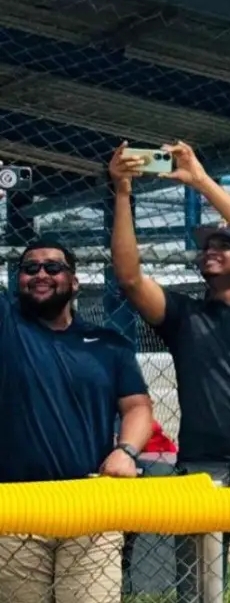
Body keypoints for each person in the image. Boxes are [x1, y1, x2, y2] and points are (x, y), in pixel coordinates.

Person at [108, 141, 230, 603]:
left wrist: (200, 181)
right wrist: (122, 193)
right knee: (196, 597)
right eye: (206, 246)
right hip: (199, 472)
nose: (210, 251)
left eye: (225, 245)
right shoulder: (183, 315)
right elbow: (130, 279)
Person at [0, 239, 154, 603]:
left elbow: (137, 408)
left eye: (53, 268)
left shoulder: (107, 343)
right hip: (18, 506)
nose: (40, 273)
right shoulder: (7, 327)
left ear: (74, 281)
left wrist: (127, 452)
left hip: (91, 504)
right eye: (29, 267)